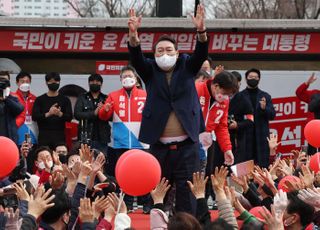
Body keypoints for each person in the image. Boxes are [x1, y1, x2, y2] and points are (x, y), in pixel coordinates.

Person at [127, 4, 208, 214]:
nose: (164, 54)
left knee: (186, 193)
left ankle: (185, 225)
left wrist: (201, 31)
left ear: (177, 52)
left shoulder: (187, 66)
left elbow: (201, 54)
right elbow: (136, 58)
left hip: (187, 146)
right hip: (159, 146)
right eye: (160, 51)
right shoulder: (150, 71)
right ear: (154, 54)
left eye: (168, 50)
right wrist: (134, 36)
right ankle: (159, 224)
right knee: (159, 193)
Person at [99, 65, 150, 213]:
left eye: (130, 76)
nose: (127, 79)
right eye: (124, 76)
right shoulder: (113, 95)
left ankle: (146, 203)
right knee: (124, 175)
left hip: (141, 142)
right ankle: (126, 204)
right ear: (120, 79)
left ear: (135, 78)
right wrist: (105, 110)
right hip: (120, 142)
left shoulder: (145, 94)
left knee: (143, 173)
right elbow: (103, 117)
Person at [196, 71, 237, 172]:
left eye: (229, 95)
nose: (226, 97)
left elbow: (222, 126)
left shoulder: (224, 101)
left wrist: (227, 149)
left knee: (199, 180)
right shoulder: (196, 89)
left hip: (203, 146)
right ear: (216, 86)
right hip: (186, 143)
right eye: (224, 93)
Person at [215, 71, 254, 164]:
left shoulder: (244, 99)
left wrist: (237, 125)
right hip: (219, 136)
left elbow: (250, 120)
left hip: (237, 138)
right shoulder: (218, 96)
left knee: (235, 164)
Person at [239, 68, 276, 168]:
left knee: (263, 166)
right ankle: (245, 183)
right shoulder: (240, 96)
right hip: (245, 135)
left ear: (259, 79)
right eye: (251, 77)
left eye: (256, 77)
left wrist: (264, 108)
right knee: (245, 167)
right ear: (246, 78)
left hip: (261, 136)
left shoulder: (265, 96)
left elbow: (272, 115)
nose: (253, 79)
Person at [32, 72, 72, 148]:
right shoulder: (40, 99)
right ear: (46, 83)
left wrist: (59, 113)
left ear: (59, 82)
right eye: (51, 81)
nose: (54, 83)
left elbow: (69, 117)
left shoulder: (65, 100)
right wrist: (49, 113)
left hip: (60, 135)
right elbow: (34, 117)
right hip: (44, 135)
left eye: (56, 81)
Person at [74, 74, 110, 155]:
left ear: (101, 84)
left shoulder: (106, 98)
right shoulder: (82, 97)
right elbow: (77, 114)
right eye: (92, 81)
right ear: (89, 83)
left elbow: (111, 117)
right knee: (85, 163)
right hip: (85, 137)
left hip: (102, 138)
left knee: (101, 163)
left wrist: (105, 111)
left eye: (97, 82)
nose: (95, 83)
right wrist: (94, 113)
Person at [295, 73, 320, 155]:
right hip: (314, 131)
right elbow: (299, 93)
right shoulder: (315, 94)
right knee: (313, 155)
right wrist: (307, 83)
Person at [14, 71, 38, 146]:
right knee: (19, 152)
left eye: (27, 81)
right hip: (18, 129)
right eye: (22, 81)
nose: (25, 83)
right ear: (17, 83)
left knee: (31, 152)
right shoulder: (13, 97)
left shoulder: (35, 98)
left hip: (32, 130)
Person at [0, 71, 24, 144]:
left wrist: (6, 97)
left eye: (5, 81)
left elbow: (19, 109)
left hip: (10, 138)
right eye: (0, 80)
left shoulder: (12, 97)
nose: (2, 83)